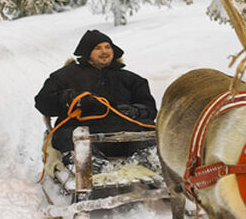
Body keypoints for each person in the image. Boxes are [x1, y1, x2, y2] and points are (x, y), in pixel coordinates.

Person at [34, 30, 157, 165]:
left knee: (151, 129)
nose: (104, 51)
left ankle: (147, 159)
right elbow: (42, 102)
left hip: (123, 133)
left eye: (107, 47)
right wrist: (70, 98)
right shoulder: (65, 75)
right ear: (87, 52)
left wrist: (136, 111)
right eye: (97, 48)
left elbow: (150, 108)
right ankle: (93, 165)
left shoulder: (131, 79)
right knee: (69, 136)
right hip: (81, 131)